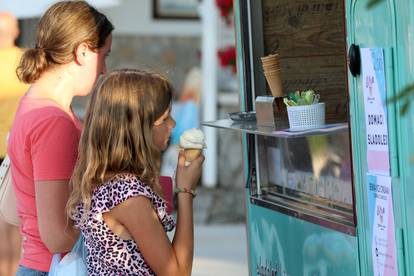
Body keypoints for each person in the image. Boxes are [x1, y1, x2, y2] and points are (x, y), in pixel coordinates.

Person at [7, 1, 113, 275]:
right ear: (83, 52)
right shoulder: (53, 121)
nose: (104, 70)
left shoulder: (36, 100)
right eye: (104, 56)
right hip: (53, 267)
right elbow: (57, 236)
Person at [66, 69, 204, 276]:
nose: (173, 124)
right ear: (137, 128)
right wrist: (186, 191)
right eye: (165, 118)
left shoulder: (103, 178)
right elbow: (177, 273)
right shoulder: (130, 196)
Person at [0, 11, 29, 276]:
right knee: (16, 222)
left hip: (4, 151)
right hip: (20, 151)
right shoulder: (28, 61)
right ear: (17, 31)